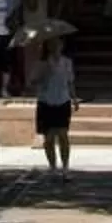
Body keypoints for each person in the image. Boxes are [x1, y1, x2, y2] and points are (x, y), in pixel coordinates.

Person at [33, 42, 77, 172]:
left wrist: (74, 98)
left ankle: (65, 166)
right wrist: (43, 74)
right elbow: (32, 81)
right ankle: (52, 166)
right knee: (49, 138)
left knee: (63, 135)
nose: (56, 47)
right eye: (53, 44)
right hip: (46, 101)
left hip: (63, 101)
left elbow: (70, 82)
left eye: (58, 44)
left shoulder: (67, 62)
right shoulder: (41, 64)